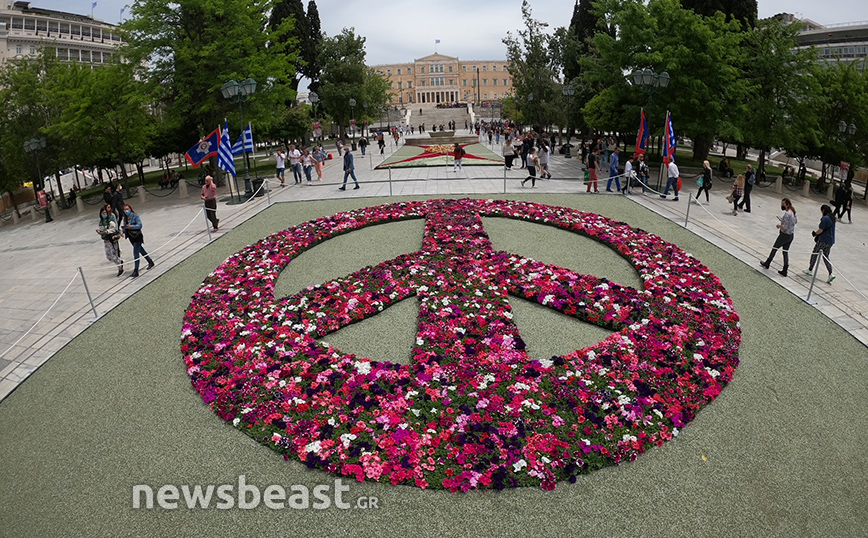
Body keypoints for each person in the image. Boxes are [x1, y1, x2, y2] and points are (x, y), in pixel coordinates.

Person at [760, 198, 797, 276]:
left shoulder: (787, 214)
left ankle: (767, 262)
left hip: (784, 234)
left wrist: (779, 226)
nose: (782, 206)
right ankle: (785, 269)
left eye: (783, 204)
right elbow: (795, 222)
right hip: (791, 235)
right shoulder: (793, 212)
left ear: (787, 204)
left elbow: (785, 226)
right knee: (785, 252)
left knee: (775, 248)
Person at [803, 204, 836, 283]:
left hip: (823, 240)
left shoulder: (825, 218)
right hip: (830, 241)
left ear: (823, 210)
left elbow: (821, 230)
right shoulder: (832, 218)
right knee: (826, 256)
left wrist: (815, 234)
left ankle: (810, 269)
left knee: (815, 253)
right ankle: (830, 273)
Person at [122, 204, 154, 278]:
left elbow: (139, 225)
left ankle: (136, 270)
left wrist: (132, 226)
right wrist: (123, 231)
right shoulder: (125, 218)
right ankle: (150, 261)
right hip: (131, 237)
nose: (126, 211)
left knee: (136, 253)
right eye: (125, 209)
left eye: (127, 209)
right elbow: (125, 227)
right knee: (141, 250)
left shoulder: (135, 216)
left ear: (130, 209)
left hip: (137, 236)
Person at [96, 206, 124, 277]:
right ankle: (119, 262)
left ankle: (120, 268)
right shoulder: (101, 222)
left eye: (105, 212)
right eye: (103, 213)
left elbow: (113, 229)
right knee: (109, 257)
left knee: (114, 256)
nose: (104, 214)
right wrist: (100, 232)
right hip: (105, 241)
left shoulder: (110, 220)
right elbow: (101, 229)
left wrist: (106, 232)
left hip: (111, 240)